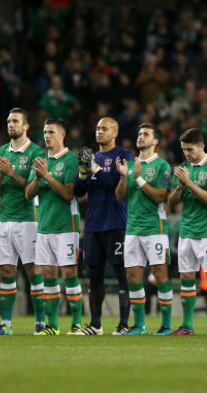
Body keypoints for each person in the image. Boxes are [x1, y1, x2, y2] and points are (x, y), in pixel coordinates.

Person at [0, 108, 46, 335]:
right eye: (9, 121)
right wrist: (0, 176)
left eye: (15, 121)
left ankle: (40, 323)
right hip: (4, 220)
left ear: (26, 126)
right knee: (6, 271)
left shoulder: (35, 153)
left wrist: (11, 173)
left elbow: (30, 190)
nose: (11, 125)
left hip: (28, 220)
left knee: (33, 269)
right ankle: (6, 324)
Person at [73, 117, 134, 335]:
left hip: (116, 223)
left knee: (121, 273)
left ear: (115, 132)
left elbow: (114, 186)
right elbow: (79, 191)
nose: (99, 132)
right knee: (94, 274)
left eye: (104, 128)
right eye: (97, 128)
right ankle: (96, 324)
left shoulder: (124, 155)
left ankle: (124, 323)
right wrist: (82, 171)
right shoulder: (93, 157)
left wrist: (95, 168)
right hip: (93, 224)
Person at [25, 118, 83, 335]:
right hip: (44, 226)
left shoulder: (71, 160)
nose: (46, 136)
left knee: (69, 273)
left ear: (62, 135)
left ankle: (76, 323)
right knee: (48, 273)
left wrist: (47, 176)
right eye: (45, 132)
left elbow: (69, 194)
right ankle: (53, 326)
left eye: (51, 132)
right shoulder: (40, 160)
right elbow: (28, 194)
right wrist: (38, 178)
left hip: (66, 225)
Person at [114, 123, 173, 335]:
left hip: (154, 228)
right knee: (132, 276)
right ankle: (139, 325)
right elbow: (120, 196)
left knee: (159, 274)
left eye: (146, 134)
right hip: (132, 229)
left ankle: (166, 324)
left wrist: (138, 177)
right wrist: (123, 176)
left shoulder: (162, 166)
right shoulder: (129, 165)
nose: (141, 137)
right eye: (139, 133)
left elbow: (160, 196)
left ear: (155, 141)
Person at [167, 128, 207, 335]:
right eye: (184, 150)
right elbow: (171, 201)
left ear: (202, 146)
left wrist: (189, 182)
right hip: (186, 232)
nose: (187, 154)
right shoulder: (183, 168)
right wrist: (179, 187)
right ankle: (187, 326)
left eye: (190, 149)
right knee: (186, 278)